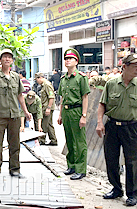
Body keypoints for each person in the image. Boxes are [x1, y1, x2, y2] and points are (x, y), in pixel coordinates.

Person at [96, 53, 137, 207]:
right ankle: (116, 188)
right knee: (111, 159)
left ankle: (133, 194)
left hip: (131, 128)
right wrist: (99, 123)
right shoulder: (111, 83)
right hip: (112, 126)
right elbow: (102, 104)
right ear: (124, 67)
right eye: (134, 66)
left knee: (132, 162)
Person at [0, 49, 32, 181]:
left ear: (12, 61)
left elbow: (20, 96)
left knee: (15, 144)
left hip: (15, 116)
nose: (7, 59)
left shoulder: (16, 77)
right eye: (4, 57)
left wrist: (26, 112)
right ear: (0, 60)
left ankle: (15, 170)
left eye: (9, 57)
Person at [57, 48, 90, 180]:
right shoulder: (63, 79)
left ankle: (81, 169)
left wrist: (84, 115)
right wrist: (60, 114)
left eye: (70, 58)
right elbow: (62, 98)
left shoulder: (81, 78)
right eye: (66, 59)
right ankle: (71, 166)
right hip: (66, 111)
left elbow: (85, 97)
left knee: (79, 142)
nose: (67, 61)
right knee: (69, 140)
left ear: (76, 61)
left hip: (77, 111)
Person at [35, 72, 58, 146]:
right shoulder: (43, 85)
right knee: (49, 124)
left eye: (37, 79)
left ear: (40, 78)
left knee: (44, 124)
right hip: (44, 107)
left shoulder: (47, 85)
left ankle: (42, 140)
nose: (37, 81)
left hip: (47, 107)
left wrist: (48, 108)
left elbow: (51, 97)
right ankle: (53, 140)